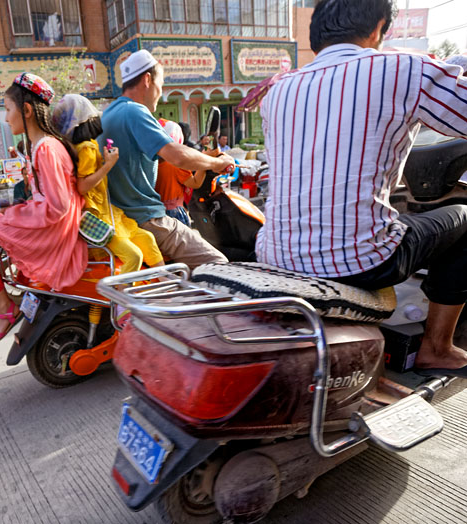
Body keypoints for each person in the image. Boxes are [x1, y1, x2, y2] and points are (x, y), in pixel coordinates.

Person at [258, 0, 467, 377]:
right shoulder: (403, 68)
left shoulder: (278, 91)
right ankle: (437, 348)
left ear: (317, 34)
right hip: (359, 262)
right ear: (378, 28)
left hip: (275, 256)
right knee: (464, 217)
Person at [0, 73, 86, 344]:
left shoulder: (46, 148)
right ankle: (4, 302)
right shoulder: (42, 146)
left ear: (26, 110)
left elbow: (58, 206)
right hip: (51, 223)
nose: (5, 118)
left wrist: (18, 213)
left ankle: (4, 306)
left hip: (53, 230)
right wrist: (17, 209)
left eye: (7, 110)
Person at [100, 50, 235, 269]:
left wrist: (202, 157)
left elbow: (145, 162)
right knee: (219, 264)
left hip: (121, 221)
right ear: (147, 80)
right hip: (147, 219)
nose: (160, 93)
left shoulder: (108, 115)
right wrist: (217, 163)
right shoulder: (134, 112)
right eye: (160, 85)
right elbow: (178, 155)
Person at [52, 93, 164, 275]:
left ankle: (164, 282)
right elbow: (82, 186)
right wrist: (108, 165)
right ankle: (123, 301)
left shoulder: (84, 146)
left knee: (148, 238)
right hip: (99, 215)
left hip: (109, 212)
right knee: (134, 255)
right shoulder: (86, 147)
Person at [155, 119, 207, 227]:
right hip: (174, 213)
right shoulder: (176, 165)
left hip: (155, 214)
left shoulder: (148, 163)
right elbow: (195, 183)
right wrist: (205, 165)